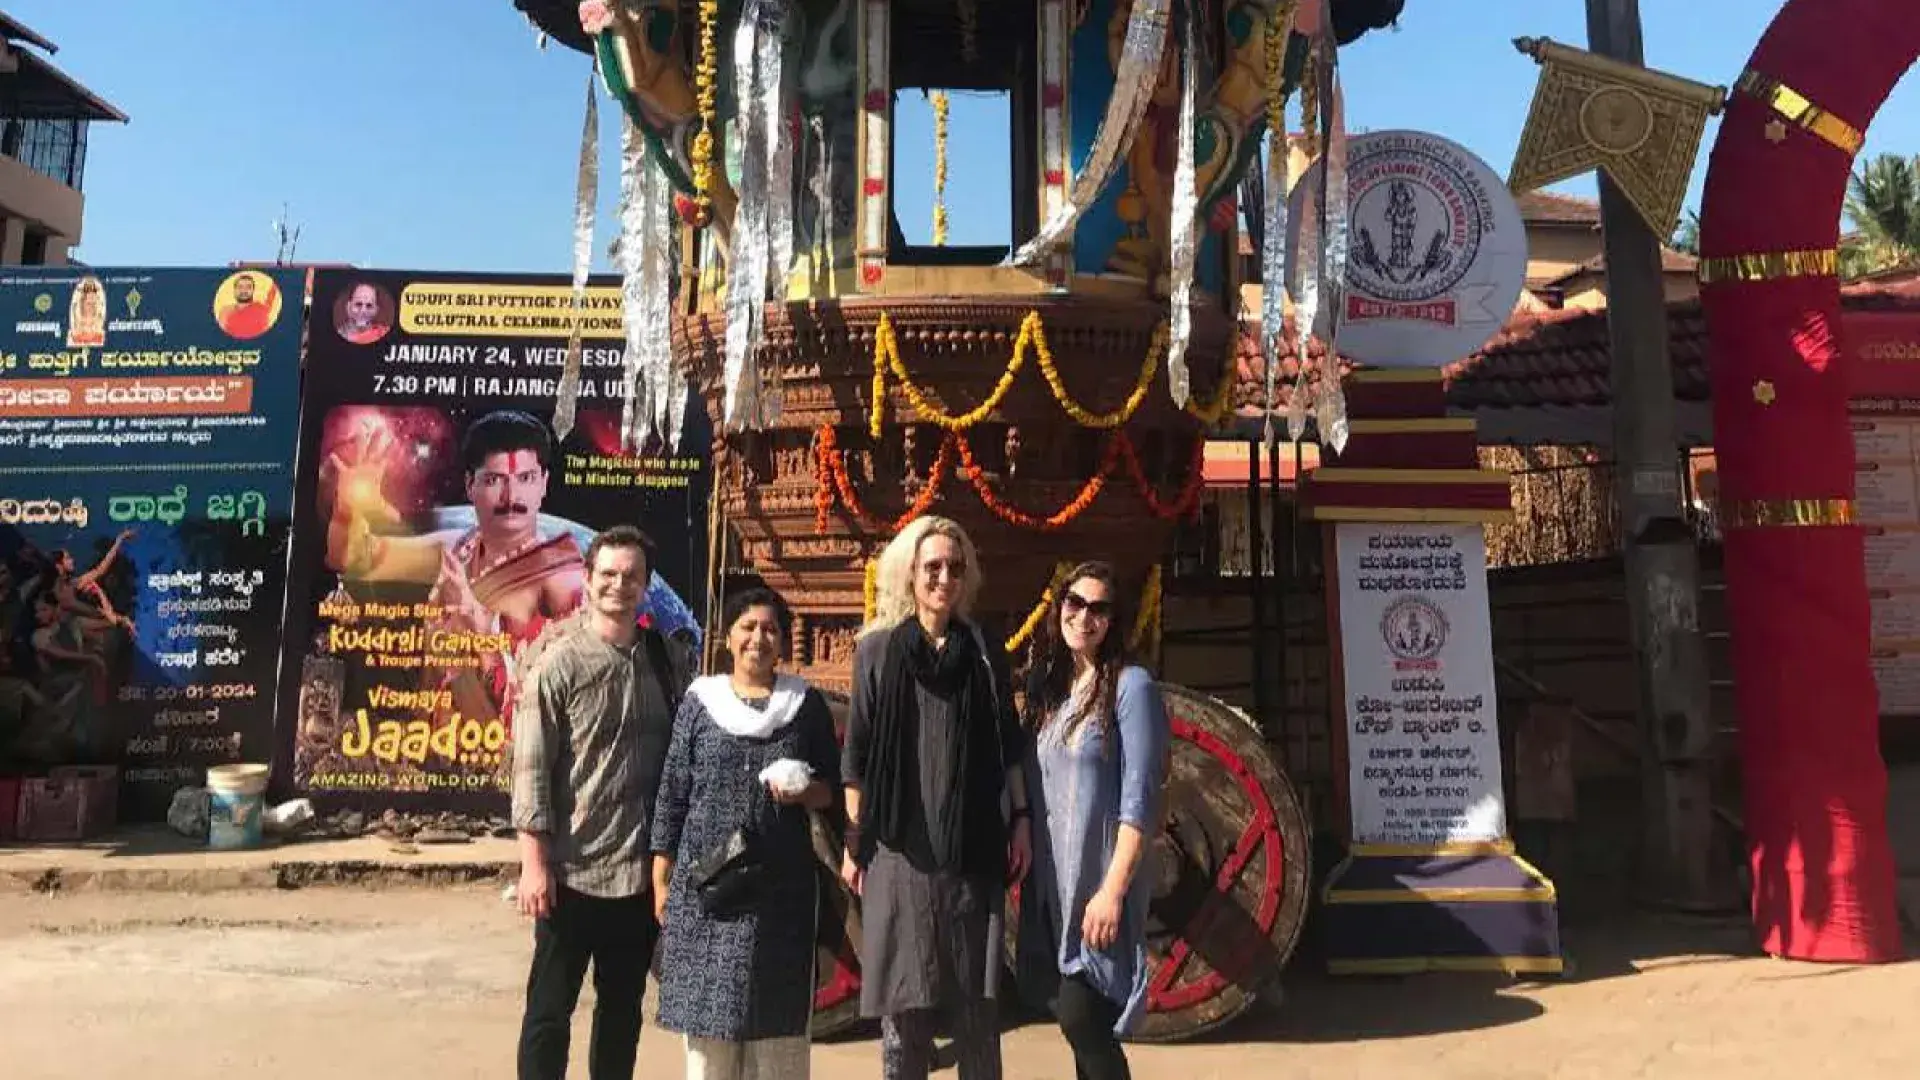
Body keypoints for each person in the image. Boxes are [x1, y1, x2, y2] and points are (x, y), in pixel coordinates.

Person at [840, 515, 1031, 1080]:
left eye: (954, 567)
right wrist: (855, 840)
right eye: (932, 567)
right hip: (900, 854)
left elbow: (1008, 744)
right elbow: (859, 755)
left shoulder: (982, 650)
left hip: (971, 854)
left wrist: (1020, 818)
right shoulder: (877, 651)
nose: (944, 578)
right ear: (911, 575)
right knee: (906, 1015)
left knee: (977, 1012)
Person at [510, 525, 693, 1080]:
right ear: (587, 581)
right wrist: (534, 866)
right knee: (549, 1014)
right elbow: (531, 769)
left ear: (645, 586)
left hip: (636, 880)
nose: (619, 585)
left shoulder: (664, 664)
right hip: (570, 874)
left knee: (621, 1014)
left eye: (631, 576)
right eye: (608, 574)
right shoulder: (559, 664)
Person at [650, 585, 840, 1079]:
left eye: (770, 628)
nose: (759, 638)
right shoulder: (700, 702)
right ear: (729, 638)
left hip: (781, 896)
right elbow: (673, 788)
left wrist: (804, 790)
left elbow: (832, 792)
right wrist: (660, 873)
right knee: (710, 1043)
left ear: (782, 642)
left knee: (777, 1035)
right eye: (748, 627)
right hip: (707, 890)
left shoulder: (804, 706)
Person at [1016, 562, 1169, 1080]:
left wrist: (1113, 890)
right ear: (1060, 606)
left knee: (1085, 1019)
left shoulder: (1132, 687)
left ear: (1115, 619)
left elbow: (1140, 800)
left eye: (1099, 608)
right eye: (1075, 603)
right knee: (1075, 1019)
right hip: (1054, 886)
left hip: (1100, 883)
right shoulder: (1053, 689)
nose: (1084, 617)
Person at [218, 273, 279, 339]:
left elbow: (273, 291)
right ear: (235, 290)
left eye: (248, 287)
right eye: (240, 287)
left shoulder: (262, 308)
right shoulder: (225, 311)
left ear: (253, 290)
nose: (244, 290)